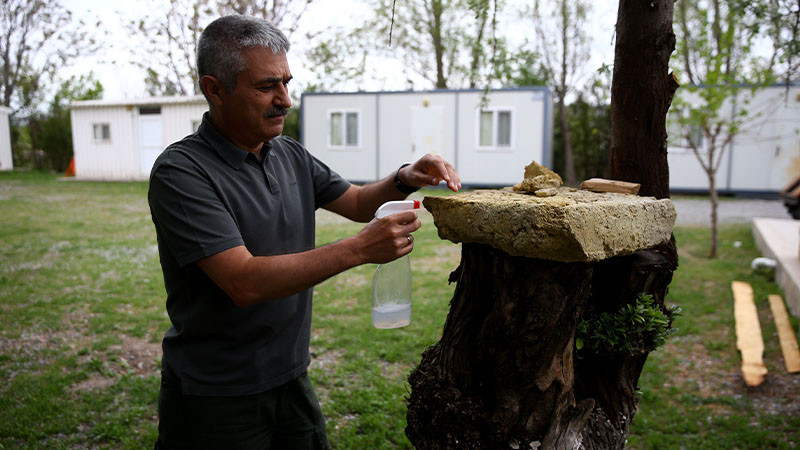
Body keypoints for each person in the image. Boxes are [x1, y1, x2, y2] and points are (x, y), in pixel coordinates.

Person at [147, 14, 461, 449]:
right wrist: (358, 250)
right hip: (216, 396)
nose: (285, 99)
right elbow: (242, 280)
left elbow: (353, 202)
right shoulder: (181, 172)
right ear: (214, 89)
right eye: (266, 86)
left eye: (286, 83)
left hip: (291, 379)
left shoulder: (287, 153)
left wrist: (407, 176)